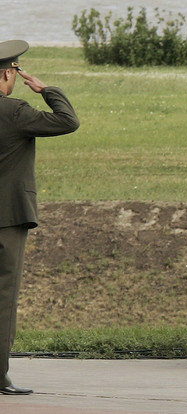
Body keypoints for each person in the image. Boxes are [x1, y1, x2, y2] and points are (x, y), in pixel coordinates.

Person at [0, 40, 80, 394]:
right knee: (3, 298)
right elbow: (68, 121)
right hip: (7, 219)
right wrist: (48, 90)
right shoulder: (14, 112)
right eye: (14, 72)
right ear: (7, 74)